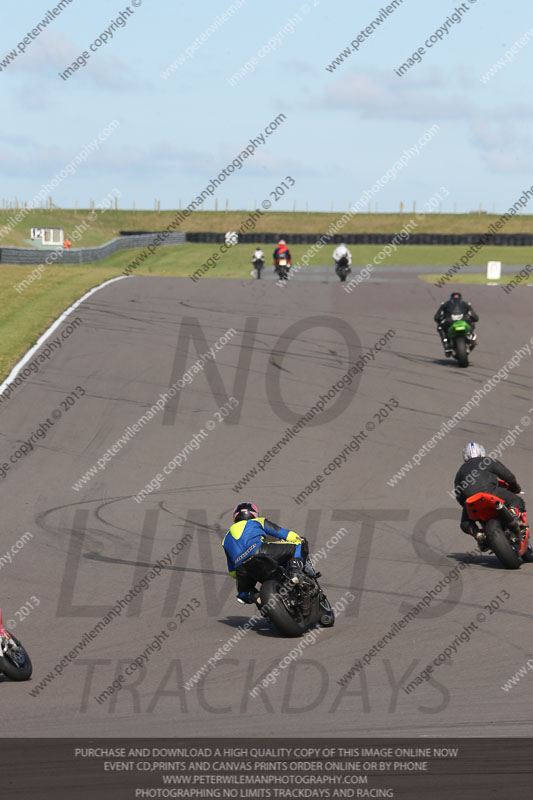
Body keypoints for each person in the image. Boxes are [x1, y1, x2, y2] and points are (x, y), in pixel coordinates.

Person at [222, 502, 308, 604]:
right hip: (260, 551)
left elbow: (232, 572)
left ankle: (256, 597)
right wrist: (296, 537)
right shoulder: (258, 521)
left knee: (242, 593)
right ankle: (295, 571)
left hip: (241, 567)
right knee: (299, 544)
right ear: (254, 514)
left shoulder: (225, 539)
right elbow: (282, 533)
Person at [453, 442, 528, 551]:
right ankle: (513, 516)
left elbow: (458, 494)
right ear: (481, 452)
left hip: (471, 500)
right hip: (491, 492)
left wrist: (466, 505)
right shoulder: (487, 461)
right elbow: (508, 476)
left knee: (465, 523)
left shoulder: (460, 471)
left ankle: (478, 534)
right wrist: (515, 487)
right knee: (516, 500)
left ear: (465, 456)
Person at [434, 292, 479, 357]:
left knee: (440, 327)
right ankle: (470, 335)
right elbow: (475, 317)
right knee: (472, 323)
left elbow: (436, 317)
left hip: (449, 322)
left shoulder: (444, 304)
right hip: (464, 321)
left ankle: (446, 344)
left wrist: (440, 319)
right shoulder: (466, 304)